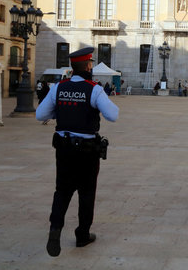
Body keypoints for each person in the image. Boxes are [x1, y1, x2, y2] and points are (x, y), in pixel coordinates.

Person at [36, 47, 119, 257]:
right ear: (89, 66)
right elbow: (113, 115)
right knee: (86, 193)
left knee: (62, 191)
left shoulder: (58, 88)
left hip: (63, 150)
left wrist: (60, 110)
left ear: (72, 67)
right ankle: (82, 235)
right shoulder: (94, 89)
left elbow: (40, 114)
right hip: (87, 152)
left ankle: (55, 231)